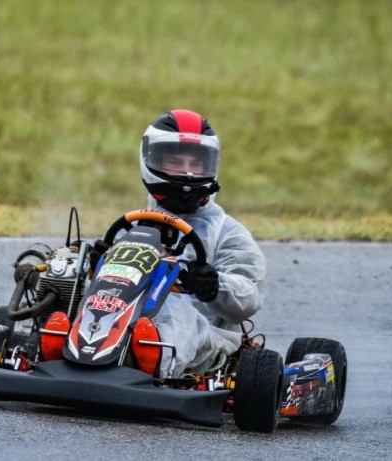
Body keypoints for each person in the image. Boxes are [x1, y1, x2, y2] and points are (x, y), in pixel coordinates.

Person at [95, 109, 266, 377]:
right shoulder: (131, 226)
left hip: (204, 335)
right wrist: (96, 267)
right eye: (175, 161)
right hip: (123, 321)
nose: (187, 173)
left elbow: (249, 298)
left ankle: (150, 363)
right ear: (151, 160)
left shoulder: (228, 232)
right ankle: (59, 345)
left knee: (172, 310)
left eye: (195, 164)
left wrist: (214, 285)